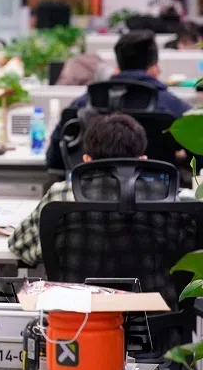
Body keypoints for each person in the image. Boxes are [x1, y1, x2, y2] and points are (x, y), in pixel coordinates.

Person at [46, 30, 203, 171]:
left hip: (90, 196)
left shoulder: (84, 103)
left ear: (118, 64)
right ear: (154, 67)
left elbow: (54, 160)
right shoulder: (173, 106)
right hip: (158, 199)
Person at [10, 113, 150, 267]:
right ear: (142, 160)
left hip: (76, 291)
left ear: (86, 160)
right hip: (146, 291)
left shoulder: (61, 194)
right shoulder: (163, 196)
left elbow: (19, 244)